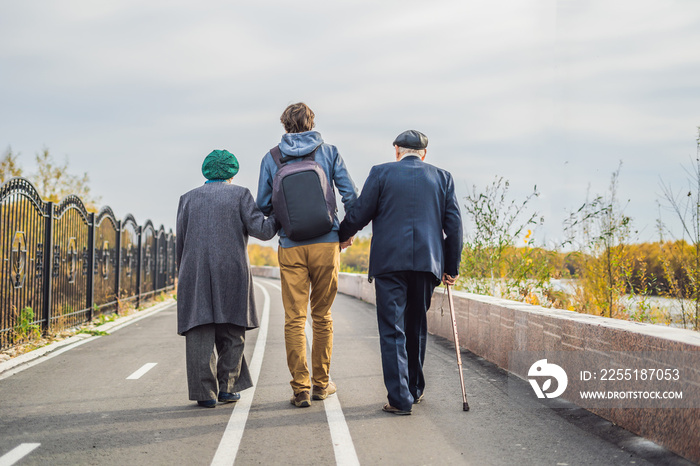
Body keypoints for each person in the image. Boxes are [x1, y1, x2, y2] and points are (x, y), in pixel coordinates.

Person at [338, 130, 463, 415]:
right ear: (424, 153)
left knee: (392, 330)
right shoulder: (443, 178)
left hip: (389, 263)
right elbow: (453, 227)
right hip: (427, 265)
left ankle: (400, 398)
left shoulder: (381, 173)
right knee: (416, 326)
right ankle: (415, 390)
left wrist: (341, 237)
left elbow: (359, 214)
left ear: (396, 150)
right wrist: (451, 267)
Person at [256, 102, 358, 407]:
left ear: (285, 125)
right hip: (327, 243)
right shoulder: (329, 152)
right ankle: (321, 384)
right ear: (311, 123)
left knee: (294, 319)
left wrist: (285, 225)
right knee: (322, 316)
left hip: (291, 246)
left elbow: (263, 205)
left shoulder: (272, 157)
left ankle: (300, 388)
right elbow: (350, 195)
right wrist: (346, 233)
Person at [176, 149, 278, 408]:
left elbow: (181, 241)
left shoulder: (187, 199)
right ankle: (228, 388)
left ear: (206, 171)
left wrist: (184, 273)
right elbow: (263, 231)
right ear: (232, 174)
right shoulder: (240, 195)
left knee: (199, 329)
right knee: (233, 329)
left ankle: (204, 394)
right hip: (232, 271)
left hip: (194, 271)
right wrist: (279, 212)